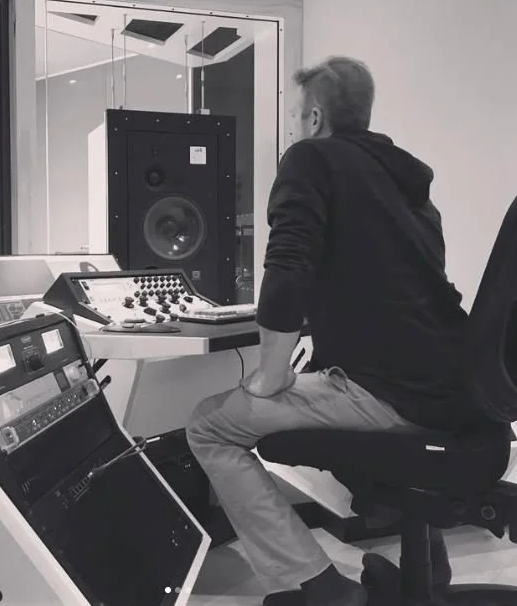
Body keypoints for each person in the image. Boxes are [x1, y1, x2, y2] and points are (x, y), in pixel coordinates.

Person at [186, 57, 472, 606]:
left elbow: (288, 266)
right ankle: (427, 560)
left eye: (295, 118)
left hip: (390, 393)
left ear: (315, 118)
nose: (294, 130)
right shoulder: (406, 181)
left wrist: (271, 374)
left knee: (208, 426)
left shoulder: (311, 158)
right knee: (316, 385)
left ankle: (316, 587)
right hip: (452, 385)